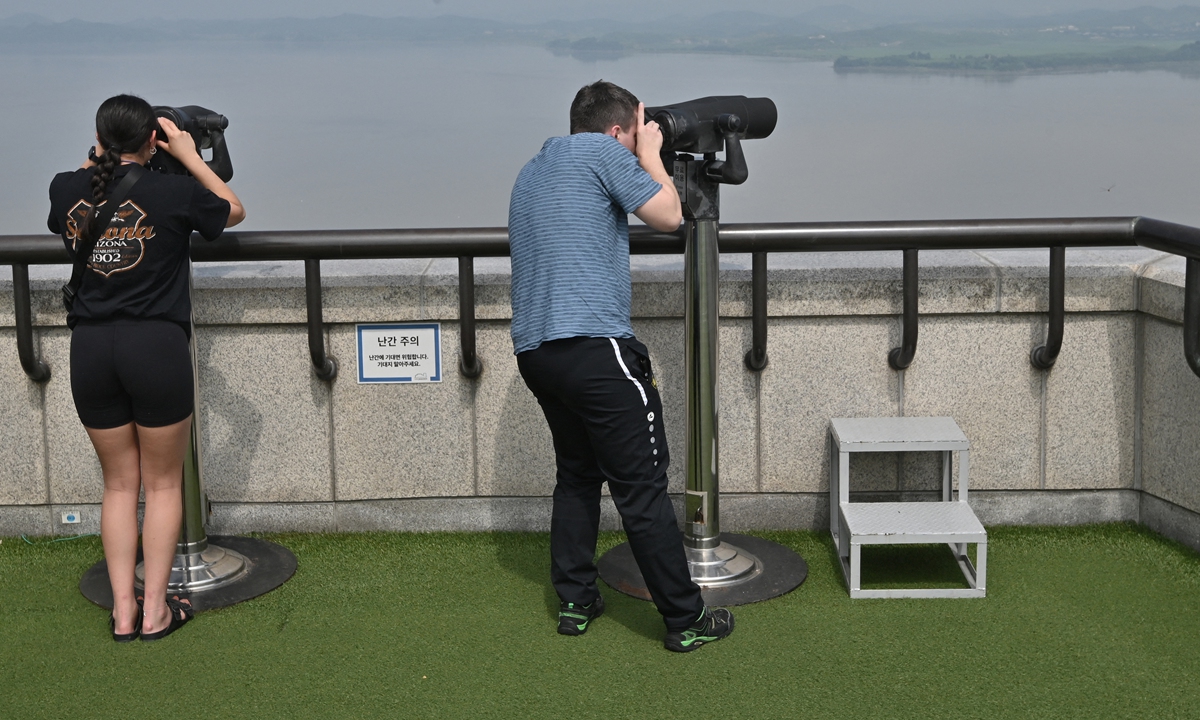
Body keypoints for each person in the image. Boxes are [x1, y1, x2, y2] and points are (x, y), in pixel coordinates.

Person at [508, 80, 734, 652]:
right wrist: (651, 155)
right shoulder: (606, 153)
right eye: (636, 130)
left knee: (579, 475)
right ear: (616, 130)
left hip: (536, 350)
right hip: (596, 348)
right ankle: (687, 621)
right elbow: (667, 215)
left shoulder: (533, 168)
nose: (639, 141)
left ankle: (575, 601)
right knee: (642, 491)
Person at [47, 94, 245, 642]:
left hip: (89, 350)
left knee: (117, 487)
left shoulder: (66, 189)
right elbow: (231, 210)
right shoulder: (176, 191)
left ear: (97, 135)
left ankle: (123, 612)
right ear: (154, 139)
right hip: (154, 347)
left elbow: (85, 179)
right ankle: (156, 610)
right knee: (160, 487)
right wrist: (188, 152)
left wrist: (104, 151)